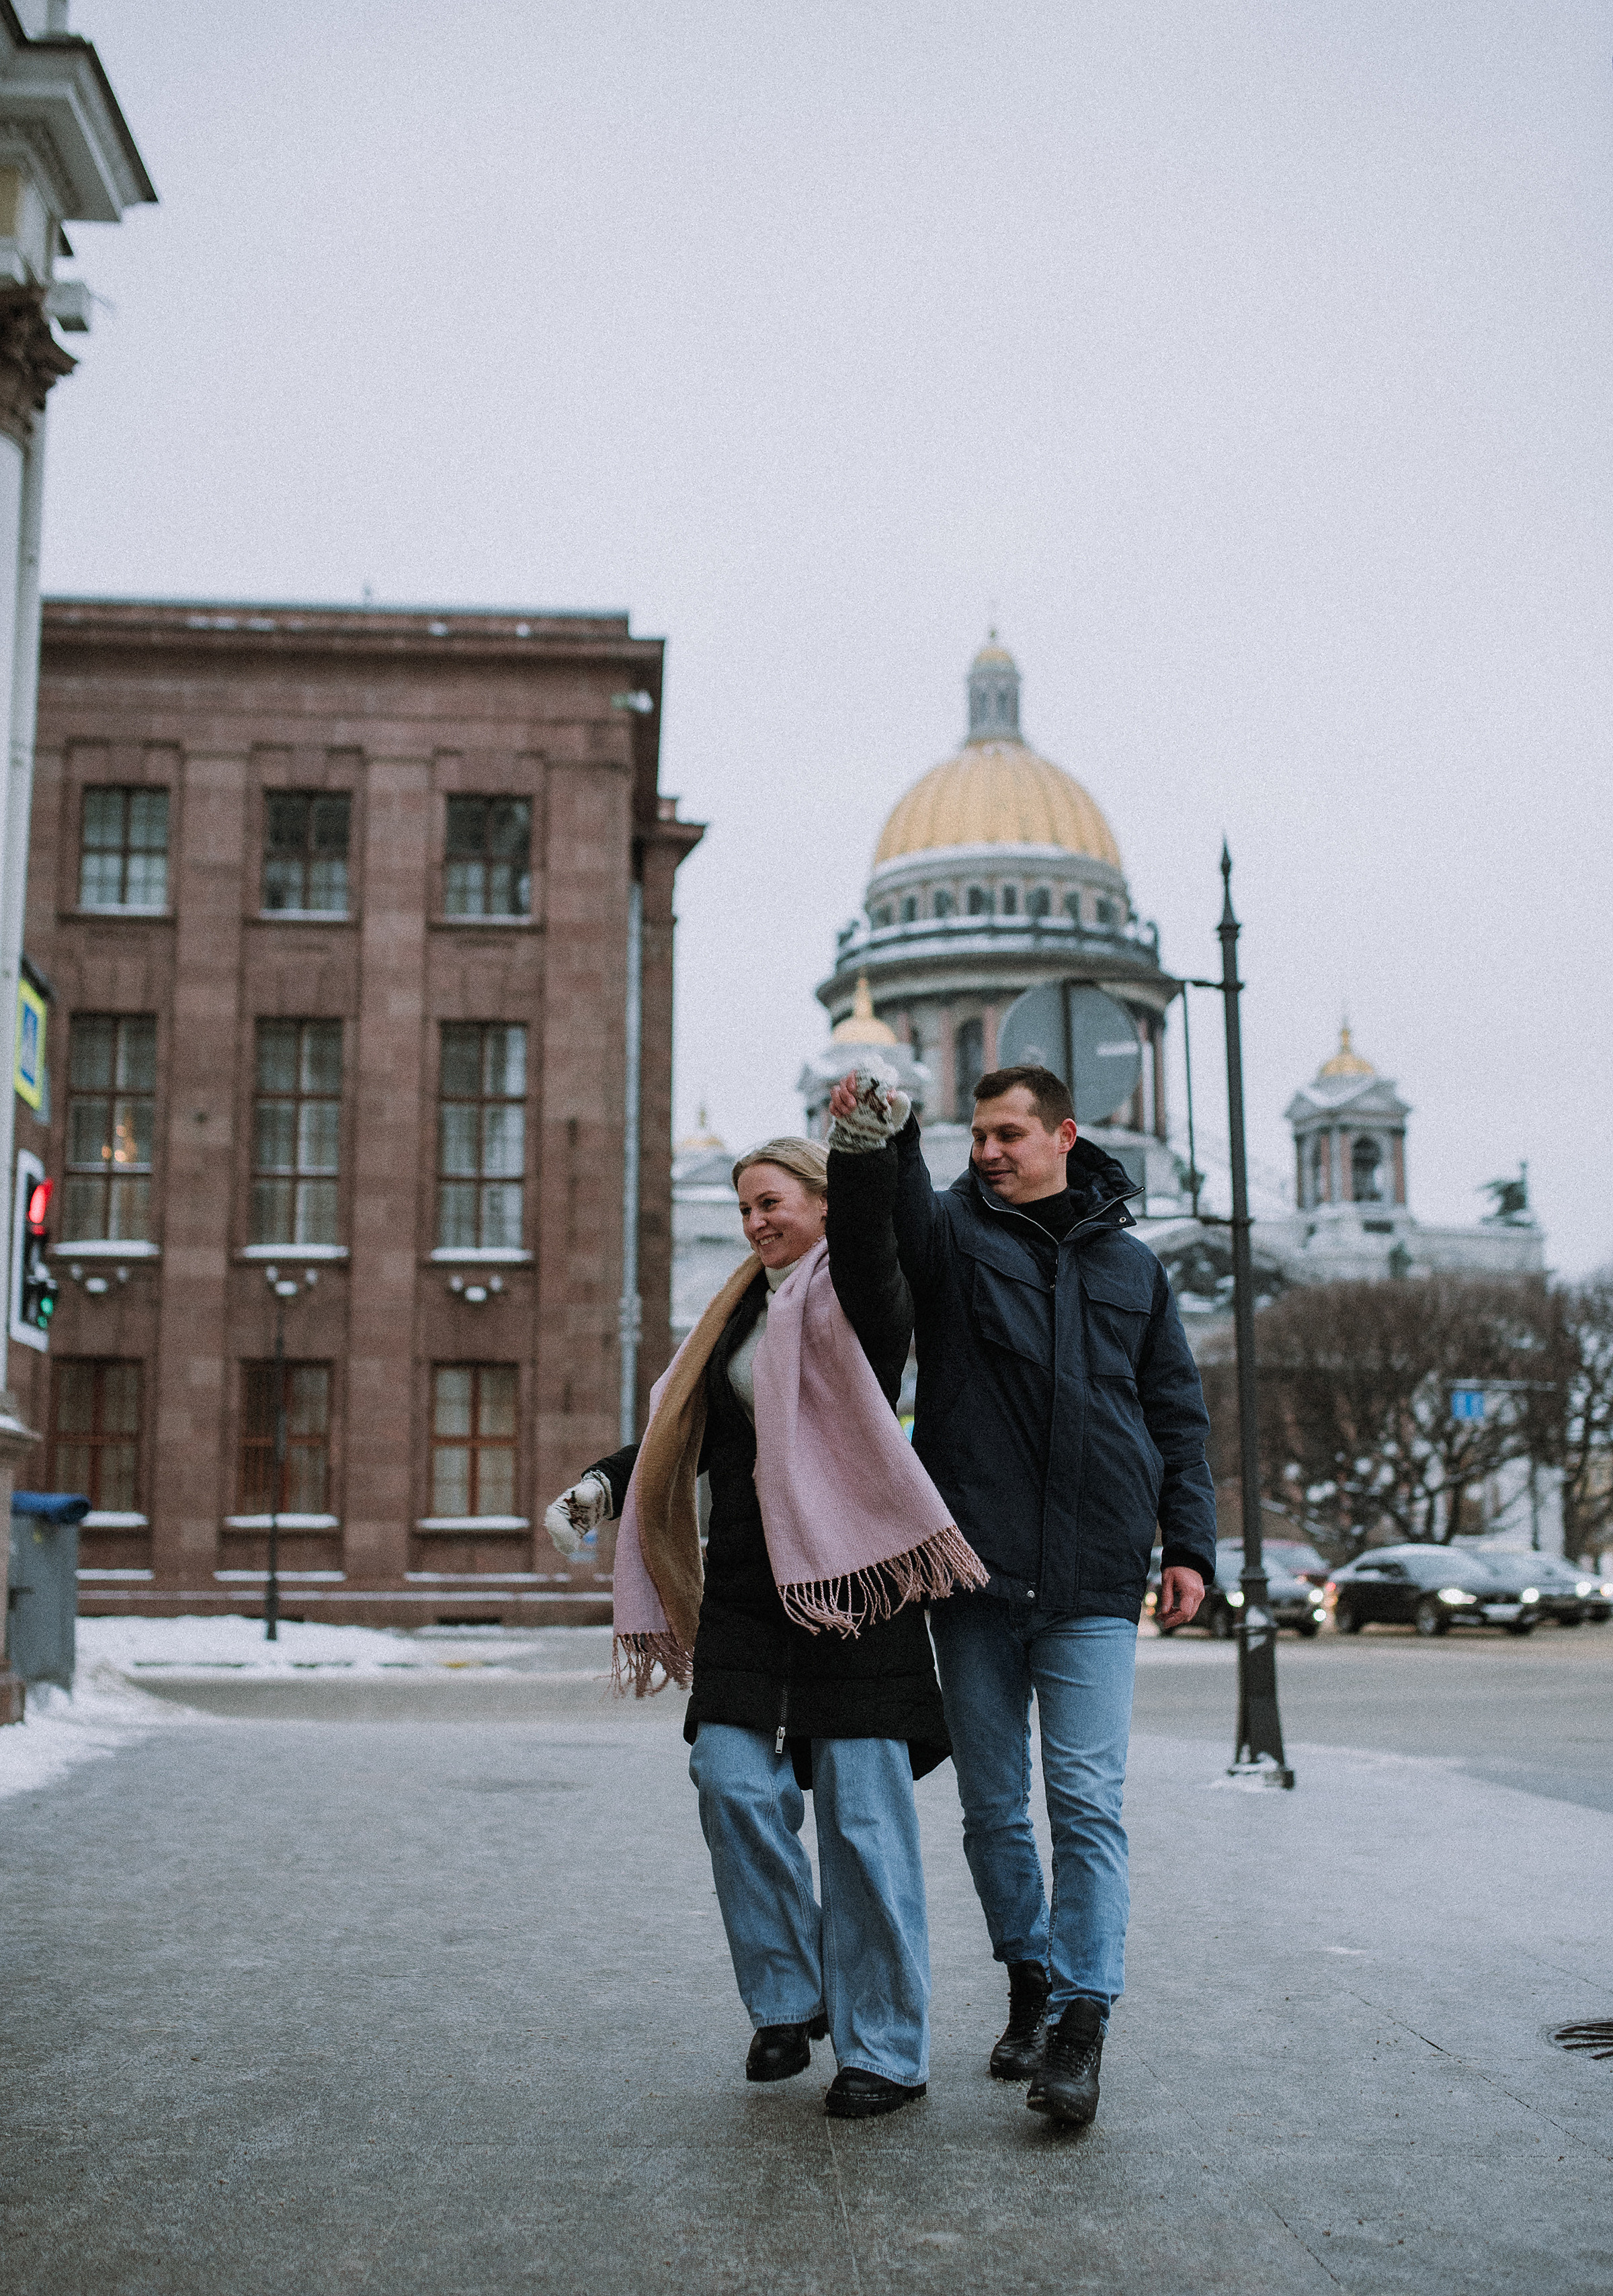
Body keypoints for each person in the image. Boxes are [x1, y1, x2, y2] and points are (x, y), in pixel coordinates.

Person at [544, 1134, 987, 2121]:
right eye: (745, 1206)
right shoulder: (735, 1314)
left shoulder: (862, 1304)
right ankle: (793, 1997)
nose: (755, 1221)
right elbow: (678, 1432)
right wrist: (601, 1487)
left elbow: (876, 1240)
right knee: (730, 1781)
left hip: (855, 1589)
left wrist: (866, 1148)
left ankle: (886, 2049)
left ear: (824, 1205)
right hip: (751, 1593)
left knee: (864, 1829)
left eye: (773, 1201)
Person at [825, 1064, 1214, 2128]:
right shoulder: (952, 1236)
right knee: (996, 1809)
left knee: (1087, 1804)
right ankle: (1030, 1977)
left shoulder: (1137, 1266)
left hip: (1094, 1576)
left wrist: (1190, 1544)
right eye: (977, 1135)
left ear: (1065, 1134)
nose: (988, 1150)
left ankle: (1083, 2023)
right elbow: (896, 1218)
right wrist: (890, 1137)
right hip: (976, 1573)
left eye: (1008, 1133)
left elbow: (1176, 1414)